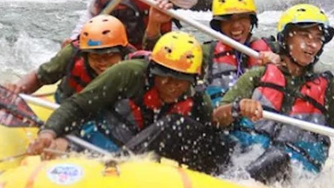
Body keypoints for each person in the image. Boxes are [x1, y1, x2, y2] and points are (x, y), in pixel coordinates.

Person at [212, 4, 334, 183]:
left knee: (277, 158)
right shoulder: (259, 74)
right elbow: (217, 119)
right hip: (242, 162)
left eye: (318, 38)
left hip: (292, 179)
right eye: (304, 35)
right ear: (285, 38)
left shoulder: (329, 88)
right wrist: (237, 107)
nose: (312, 44)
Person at [28, 30, 230, 174]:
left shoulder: (196, 96)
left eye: (180, 80)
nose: (171, 85)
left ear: (192, 80)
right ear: (153, 71)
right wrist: (49, 132)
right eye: (165, 77)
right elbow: (78, 106)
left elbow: (211, 137)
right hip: (111, 138)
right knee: (57, 147)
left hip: (151, 156)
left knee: (179, 126)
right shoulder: (128, 73)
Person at [8, 15, 132, 103]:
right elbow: (39, 77)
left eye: (108, 55)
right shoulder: (73, 53)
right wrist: (19, 89)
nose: (102, 62)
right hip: (67, 103)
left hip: (108, 114)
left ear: (122, 52)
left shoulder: (134, 65)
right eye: (95, 56)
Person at [201, 0, 279, 105]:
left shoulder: (274, 50)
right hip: (221, 113)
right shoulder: (206, 52)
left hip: (261, 115)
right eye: (228, 19)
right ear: (219, 24)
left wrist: (279, 64)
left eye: (242, 18)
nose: (236, 25)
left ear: (251, 20)